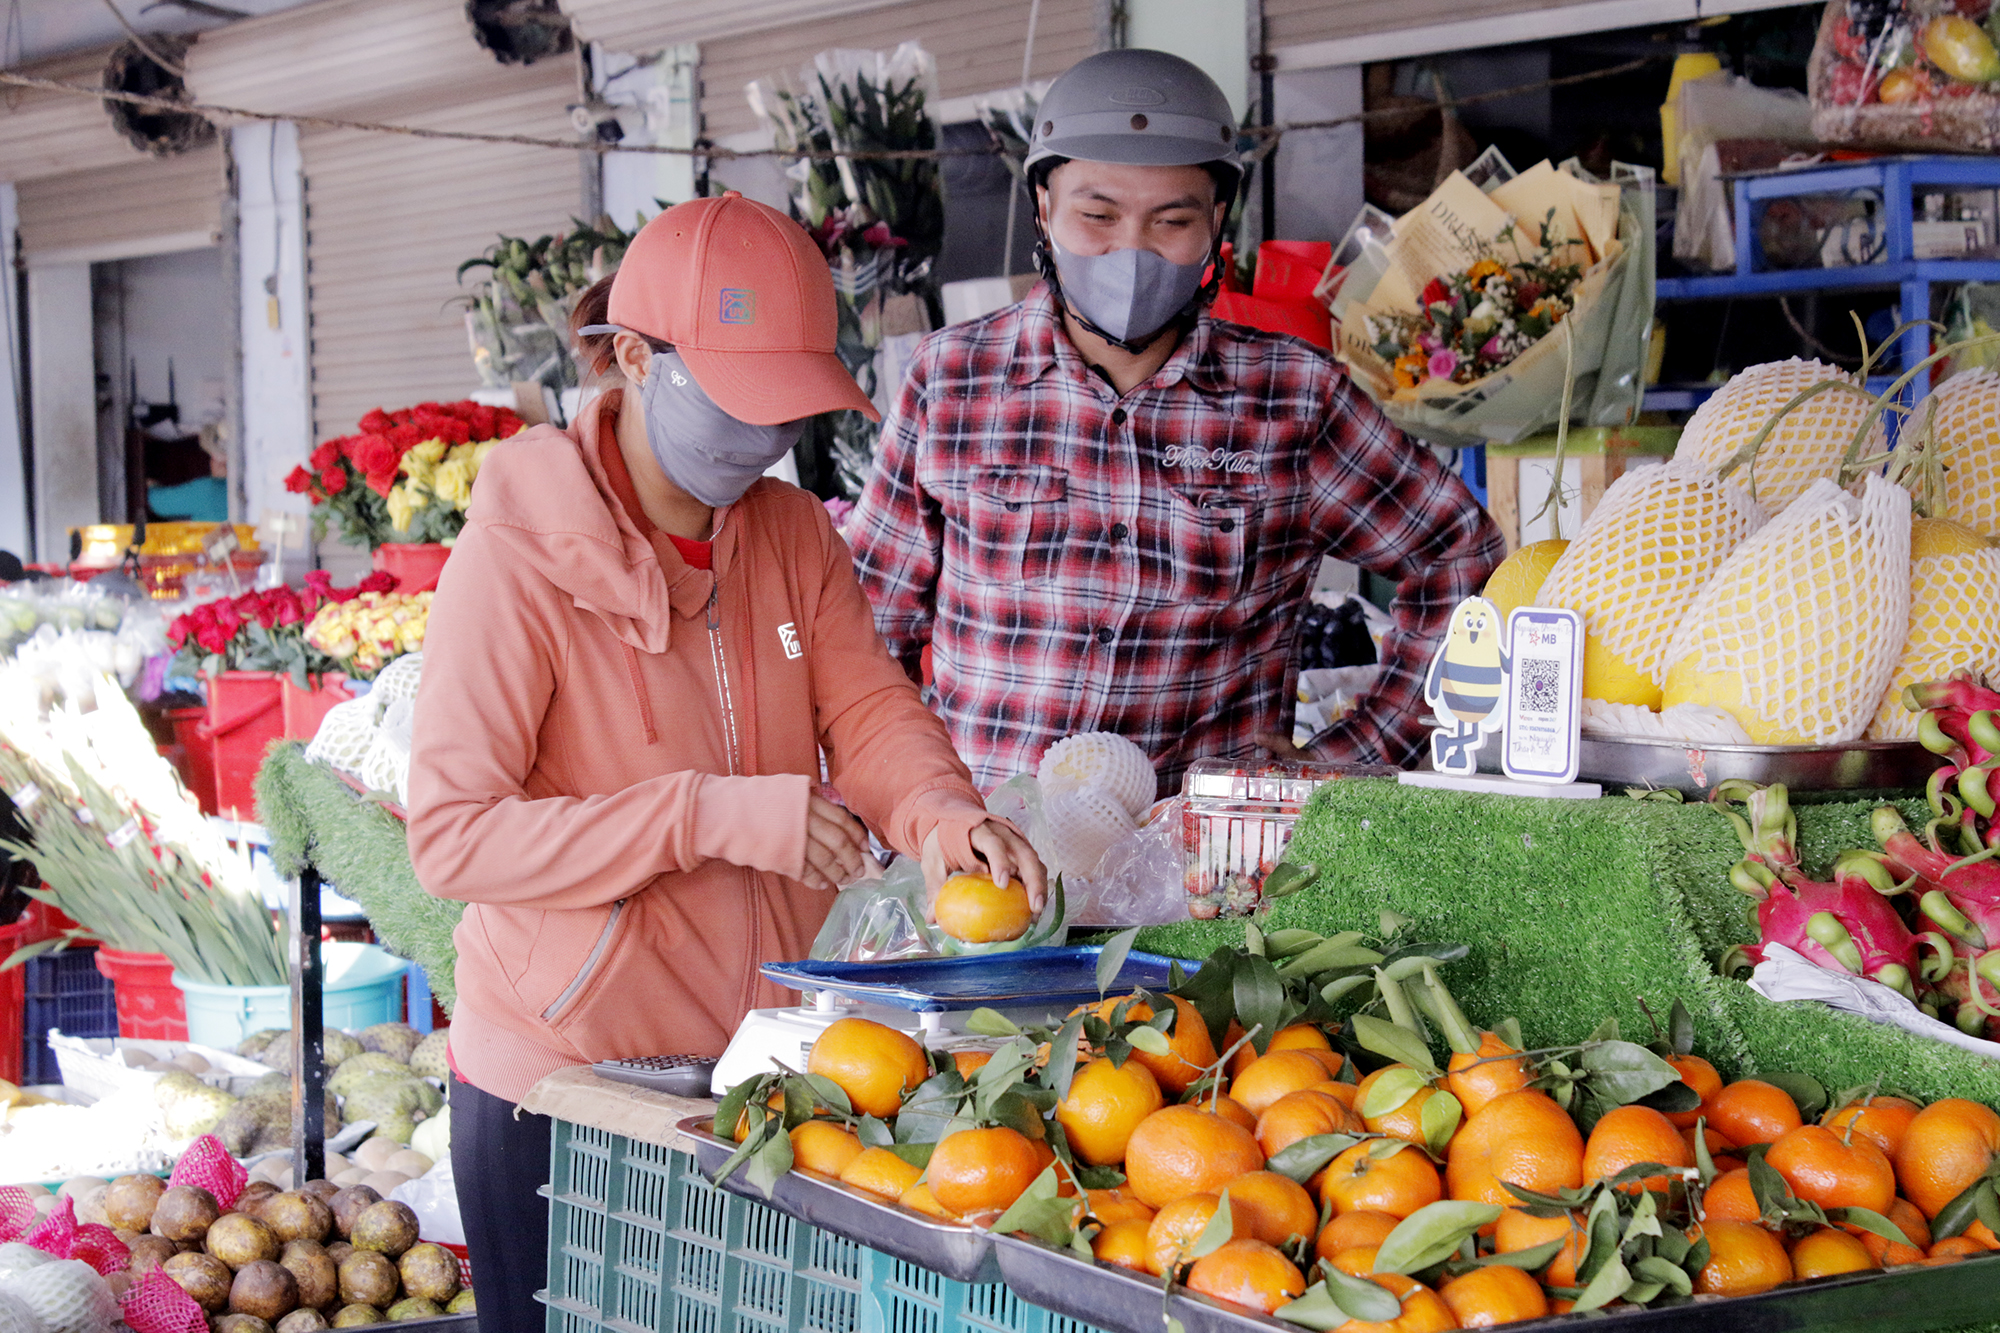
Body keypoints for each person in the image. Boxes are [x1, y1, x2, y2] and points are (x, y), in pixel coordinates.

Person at [405, 192, 1044, 1333]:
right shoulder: (514, 561)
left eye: (787, 410)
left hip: (750, 1085)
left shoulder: (792, 535)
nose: (764, 441)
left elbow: (869, 710)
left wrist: (948, 819)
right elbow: (453, 838)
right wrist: (702, 814)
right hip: (562, 1087)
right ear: (637, 360)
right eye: (743, 403)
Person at [845, 49, 1505, 795]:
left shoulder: (1294, 398)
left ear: (1217, 219)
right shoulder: (952, 380)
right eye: (1097, 215)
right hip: (988, 876)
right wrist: (910, 807)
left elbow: (1461, 557)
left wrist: (1346, 759)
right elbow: (866, 633)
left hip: (1203, 881)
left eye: (1172, 220)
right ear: (1043, 208)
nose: (1130, 249)